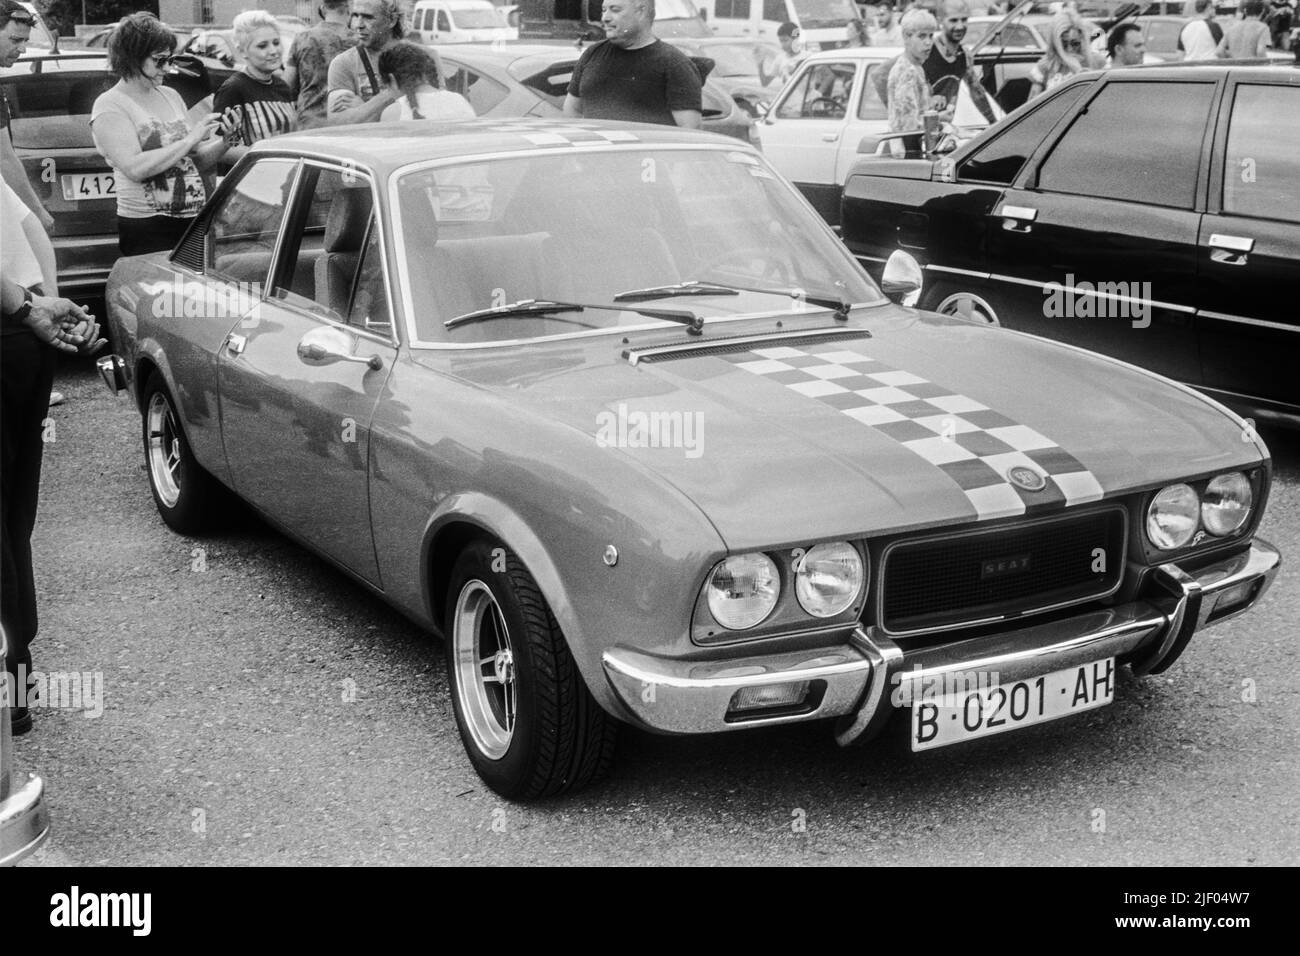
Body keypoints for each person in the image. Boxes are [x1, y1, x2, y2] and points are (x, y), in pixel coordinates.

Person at [2, 179, 104, 735]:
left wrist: (26, 309)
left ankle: (8, 689)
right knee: (13, 517)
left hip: (11, 319)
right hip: (22, 334)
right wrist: (44, 306)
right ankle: (16, 676)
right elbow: (30, 226)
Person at [90, 13, 230, 256]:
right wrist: (190, 138)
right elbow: (134, 168)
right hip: (148, 226)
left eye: (170, 59)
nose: (167, 67)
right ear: (132, 58)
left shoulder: (170, 95)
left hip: (192, 220)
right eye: (159, 60)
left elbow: (195, 162)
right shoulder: (110, 105)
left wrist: (227, 141)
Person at [563, 0, 703, 129]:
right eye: (604, 10)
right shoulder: (593, 53)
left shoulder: (674, 64)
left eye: (615, 10)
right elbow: (572, 110)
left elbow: (689, 131)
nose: (605, 18)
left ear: (640, 11)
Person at [213, 10, 298, 168]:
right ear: (243, 51)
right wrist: (267, 155)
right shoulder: (234, 88)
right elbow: (219, 147)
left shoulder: (282, 86)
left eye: (276, 42)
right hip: (253, 183)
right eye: (262, 46)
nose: (273, 51)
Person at [327, 0, 408, 125]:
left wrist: (363, 108)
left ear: (392, 20)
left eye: (368, 17)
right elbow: (338, 123)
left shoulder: (421, 59)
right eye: (355, 15)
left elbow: (434, 115)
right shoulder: (343, 63)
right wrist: (392, 94)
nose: (358, 25)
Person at [287, 0, 354, 129]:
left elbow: (288, 85)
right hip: (345, 121)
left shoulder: (302, 38)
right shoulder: (358, 41)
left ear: (323, 9)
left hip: (309, 122)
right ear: (348, 10)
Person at [887, 8, 940, 157]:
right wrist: (939, 120)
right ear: (906, 37)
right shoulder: (906, 71)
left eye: (931, 35)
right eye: (922, 36)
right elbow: (909, 128)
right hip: (909, 154)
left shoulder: (917, 68)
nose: (928, 42)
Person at [378, 40, 474, 121]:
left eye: (386, 87)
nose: (389, 93)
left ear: (392, 80)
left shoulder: (393, 113)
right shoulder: (459, 101)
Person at [1028, 9, 1102, 98]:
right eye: (1064, 44)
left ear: (1083, 39)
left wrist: (1079, 71)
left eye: (1075, 43)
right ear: (1055, 44)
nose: (1070, 49)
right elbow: (1031, 104)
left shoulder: (1097, 62)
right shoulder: (1046, 65)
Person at [757, 22, 806, 87]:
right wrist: (760, 65)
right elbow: (765, 83)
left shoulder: (808, 57)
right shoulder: (780, 59)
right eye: (781, 41)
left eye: (785, 40)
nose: (783, 44)